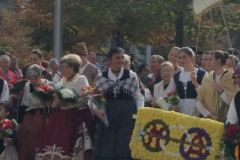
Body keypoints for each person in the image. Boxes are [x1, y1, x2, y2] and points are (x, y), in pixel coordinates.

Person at [36, 54, 94, 160]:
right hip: (61, 116)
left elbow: (84, 99)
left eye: (64, 67)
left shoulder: (81, 79)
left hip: (76, 116)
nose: (62, 70)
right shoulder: (62, 81)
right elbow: (56, 96)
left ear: (72, 67)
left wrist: (68, 102)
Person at [92, 47, 144, 160]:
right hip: (109, 114)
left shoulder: (131, 75)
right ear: (110, 60)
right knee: (107, 144)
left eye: (122, 57)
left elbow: (138, 96)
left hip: (127, 114)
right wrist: (96, 109)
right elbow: (95, 97)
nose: (121, 60)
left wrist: (140, 113)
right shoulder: (102, 77)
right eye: (117, 58)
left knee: (125, 143)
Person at [18, 64, 54, 160]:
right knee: (26, 140)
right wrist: (20, 122)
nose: (32, 81)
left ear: (40, 76)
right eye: (30, 79)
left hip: (44, 117)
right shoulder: (27, 86)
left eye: (35, 78)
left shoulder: (49, 85)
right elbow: (24, 104)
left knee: (40, 139)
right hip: (29, 117)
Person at [196, 50, 238, 122]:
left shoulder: (231, 77)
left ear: (218, 61)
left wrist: (221, 91)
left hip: (226, 119)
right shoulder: (207, 78)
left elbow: (234, 102)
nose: (207, 62)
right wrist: (209, 115)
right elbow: (199, 100)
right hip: (208, 120)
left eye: (210, 59)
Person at [173, 47, 207, 116]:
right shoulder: (176, 75)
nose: (182, 60)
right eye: (179, 58)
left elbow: (205, 94)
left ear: (192, 57)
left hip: (197, 108)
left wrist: (195, 83)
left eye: (184, 57)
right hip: (181, 109)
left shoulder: (202, 73)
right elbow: (172, 93)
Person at [225, 65, 240, 159]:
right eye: (236, 77)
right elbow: (231, 118)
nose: (237, 81)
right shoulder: (237, 97)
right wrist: (233, 129)